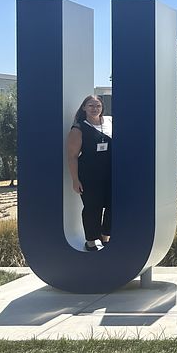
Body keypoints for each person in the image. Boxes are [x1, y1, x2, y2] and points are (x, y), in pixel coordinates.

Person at [66, 95, 112, 252]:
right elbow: (72, 156)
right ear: (84, 107)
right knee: (93, 208)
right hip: (89, 175)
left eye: (98, 105)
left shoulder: (110, 122)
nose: (95, 108)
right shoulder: (78, 128)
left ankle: (106, 236)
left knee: (113, 205)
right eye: (91, 105)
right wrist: (75, 179)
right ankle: (91, 241)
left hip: (111, 173)